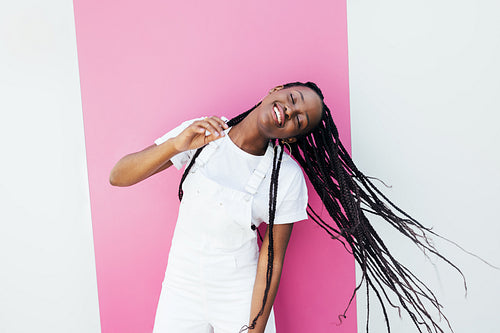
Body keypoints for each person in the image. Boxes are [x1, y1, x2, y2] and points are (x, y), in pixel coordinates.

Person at [110, 82, 461, 333]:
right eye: (292, 99)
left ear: (292, 136)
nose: (290, 111)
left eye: (299, 119)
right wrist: (175, 144)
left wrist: (255, 328)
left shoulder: (286, 178)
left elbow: (272, 258)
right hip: (179, 287)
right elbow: (119, 176)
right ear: (274, 91)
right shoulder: (201, 133)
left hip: (238, 294)